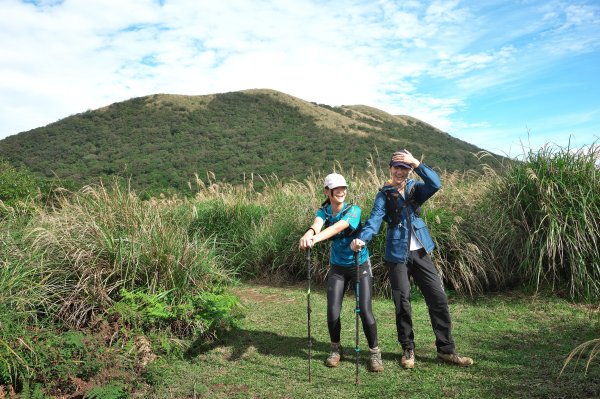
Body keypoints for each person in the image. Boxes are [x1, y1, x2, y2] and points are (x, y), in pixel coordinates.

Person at [351, 149, 473, 369]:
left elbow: (435, 184)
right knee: (403, 302)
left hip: (421, 252)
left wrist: (417, 163)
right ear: (390, 169)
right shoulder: (384, 195)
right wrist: (363, 239)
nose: (400, 172)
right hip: (397, 255)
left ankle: (446, 350)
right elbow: (374, 221)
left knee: (438, 298)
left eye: (405, 168)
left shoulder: (415, 188)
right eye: (397, 167)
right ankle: (408, 349)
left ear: (409, 170)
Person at [299, 172, 383, 373]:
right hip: (337, 267)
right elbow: (317, 225)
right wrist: (309, 233)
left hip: (359, 265)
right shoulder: (324, 211)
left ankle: (374, 352)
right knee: (333, 310)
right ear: (327, 191)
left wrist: (315, 239)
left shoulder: (354, 210)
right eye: (337, 188)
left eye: (344, 187)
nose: (342, 191)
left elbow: (338, 228)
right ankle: (336, 349)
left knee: (364, 309)